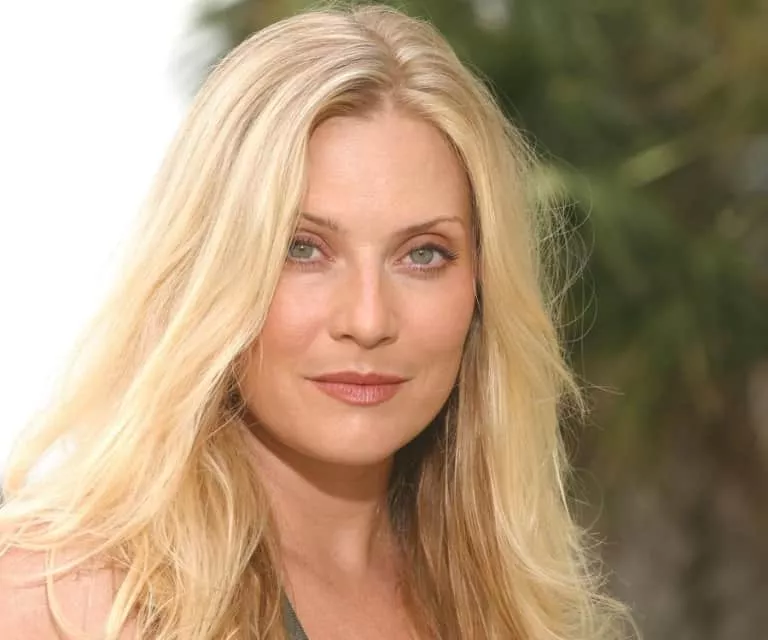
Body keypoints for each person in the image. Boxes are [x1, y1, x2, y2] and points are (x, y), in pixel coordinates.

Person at [0, 4, 635, 639]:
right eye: (303, 249)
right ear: (210, 270)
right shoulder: (66, 599)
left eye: (422, 255)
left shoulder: (507, 606)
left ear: (483, 288)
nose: (368, 319)